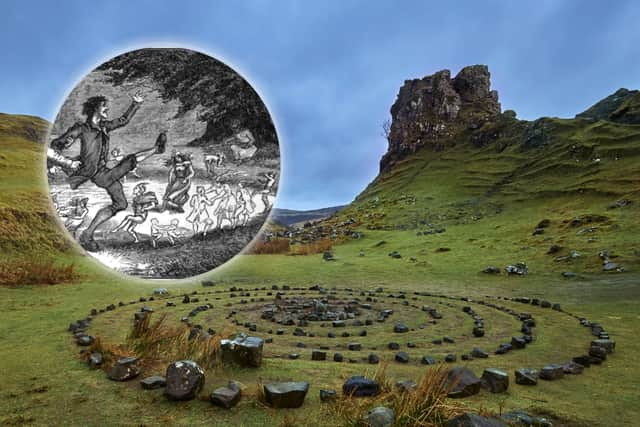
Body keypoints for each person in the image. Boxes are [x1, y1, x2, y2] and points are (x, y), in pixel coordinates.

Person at [47, 91, 166, 251]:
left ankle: (88, 234)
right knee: (129, 161)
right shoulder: (81, 129)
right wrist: (61, 162)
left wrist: (135, 104)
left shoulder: (104, 127)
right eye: (104, 107)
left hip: (104, 171)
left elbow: (123, 120)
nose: (107, 110)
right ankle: (156, 149)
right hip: (96, 174)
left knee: (121, 203)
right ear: (95, 108)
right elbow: (56, 145)